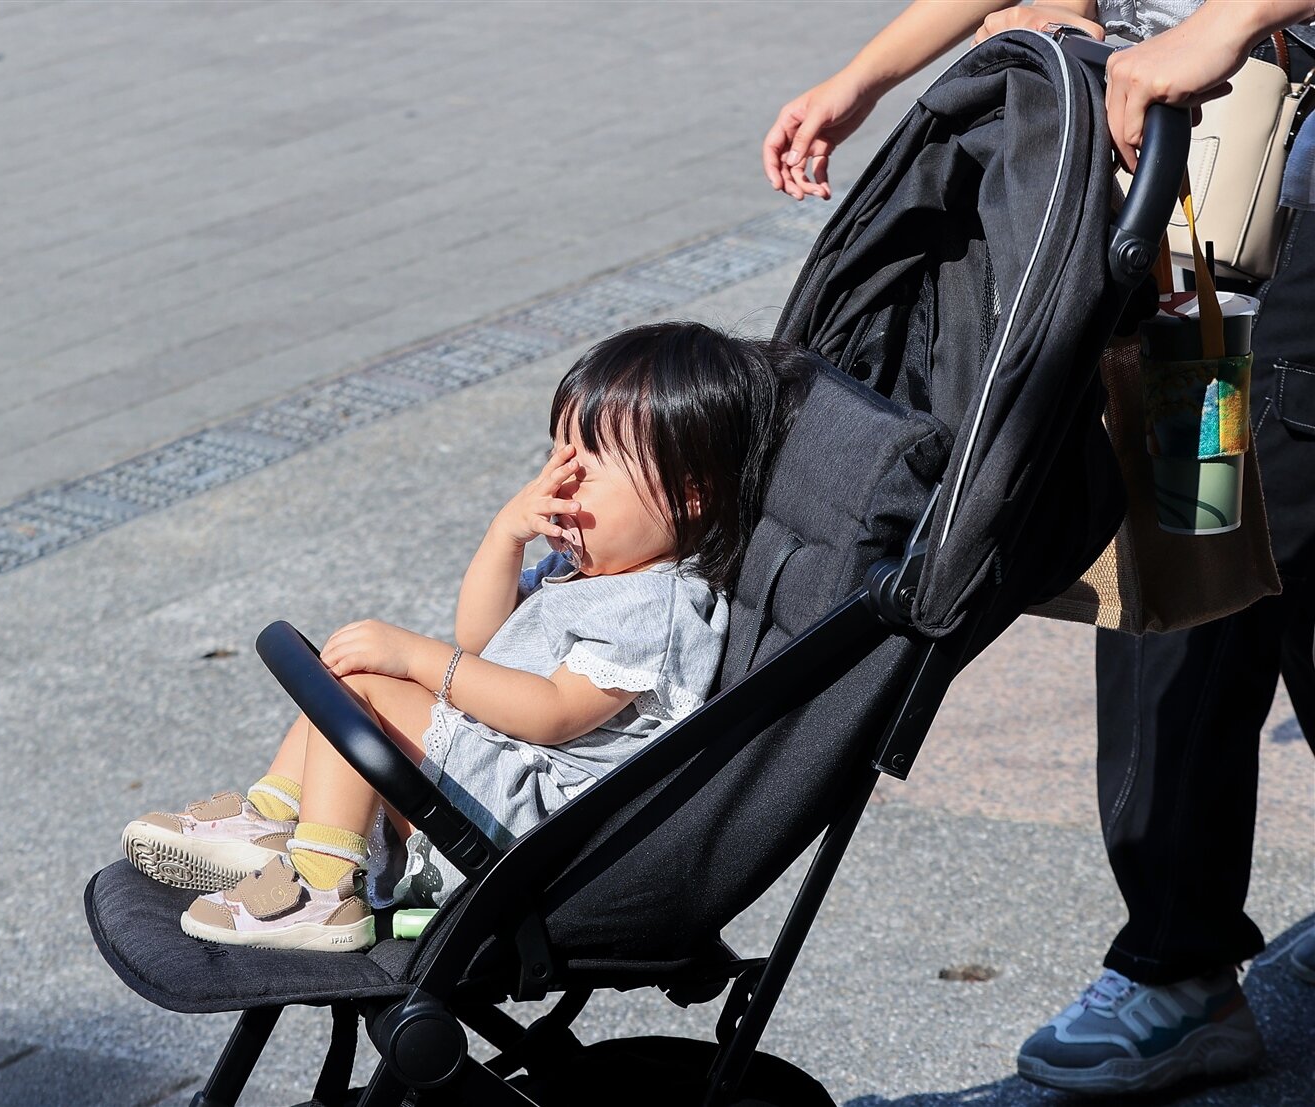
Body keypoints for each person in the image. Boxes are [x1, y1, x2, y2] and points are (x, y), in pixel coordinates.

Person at [763, 0, 1315, 1096]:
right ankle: (1175, 958)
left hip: (1266, 169)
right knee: (1188, 542)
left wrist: (1228, 22)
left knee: (1276, 530)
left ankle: (1176, 966)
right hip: (1182, 203)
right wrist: (866, 80)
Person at [118, 321, 800, 952]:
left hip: (528, 827)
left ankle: (322, 890)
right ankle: (273, 819)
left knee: (372, 690)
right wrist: (506, 533)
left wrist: (417, 658)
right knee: (347, 682)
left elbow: (552, 713)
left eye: (590, 463)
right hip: (492, 781)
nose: (559, 481)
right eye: (556, 453)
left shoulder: (660, 605)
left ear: (688, 495)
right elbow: (481, 638)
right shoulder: (587, 570)